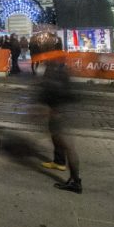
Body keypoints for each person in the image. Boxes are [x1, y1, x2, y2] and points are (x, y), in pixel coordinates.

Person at [39, 52, 81, 193]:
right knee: (67, 146)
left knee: (68, 147)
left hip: (58, 114)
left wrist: (51, 109)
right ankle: (65, 169)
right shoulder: (63, 71)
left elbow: (49, 92)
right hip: (63, 112)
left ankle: (75, 182)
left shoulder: (54, 73)